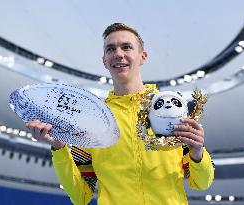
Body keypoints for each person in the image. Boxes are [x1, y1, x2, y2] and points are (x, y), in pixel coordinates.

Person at [26, 23, 214, 205]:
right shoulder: (92, 121)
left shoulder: (171, 108)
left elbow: (202, 183)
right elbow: (80, 195)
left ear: (143, 56)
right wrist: (59, 148)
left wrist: (197, 152)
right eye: (111, 49)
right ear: (104, 61)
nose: (118, 54)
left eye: (126, 47)